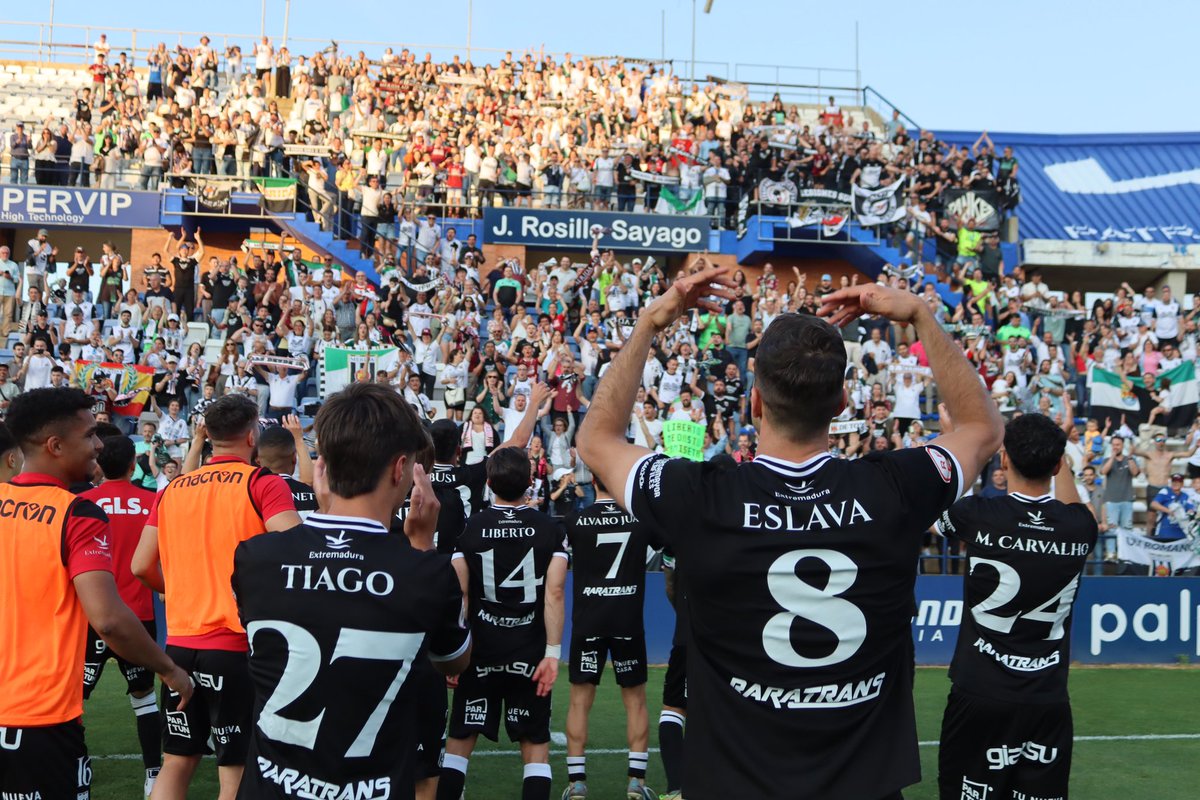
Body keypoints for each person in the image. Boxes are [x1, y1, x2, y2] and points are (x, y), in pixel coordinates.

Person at [577, 267, 1004, 799]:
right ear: (842, 405)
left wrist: (649, 321)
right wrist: (919, 314)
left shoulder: (701, 497)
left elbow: (595, 440)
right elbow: (983, 430)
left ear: (755, 403)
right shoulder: (895, 487)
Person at [232, 382, 472, 800]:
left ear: (323, 466)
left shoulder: (256, 557)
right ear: (401, 470)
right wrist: (423, 547)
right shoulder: (425, 572)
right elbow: (454, 659)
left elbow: (317, 610)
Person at [0, 388, 192, 800]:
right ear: (55, 445)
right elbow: (106, 619)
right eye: (89, 436)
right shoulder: (75, 511)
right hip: (38, 719)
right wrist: (170, 669)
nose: (99, 445)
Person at [131, 394, 301, 800]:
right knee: (235, 770)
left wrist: (183, 589)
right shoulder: (261, 482)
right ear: (251, 434)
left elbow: (140, 565)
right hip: (235, 644)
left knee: (177, 762)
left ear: (207, 436)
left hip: (179, 647)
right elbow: (297, 547)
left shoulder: (173, 489)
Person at [935, 412, 1097, 800]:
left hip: (980, 694)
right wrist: (1061, 445)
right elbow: (1072, 501)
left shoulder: (977, 514)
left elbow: (939, 512)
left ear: (1003, 460)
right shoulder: (1080, 526)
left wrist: (955, 439)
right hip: (1048, 700)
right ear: (1059, 463)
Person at [436, 448, 568, 800]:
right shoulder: (549, 528)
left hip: (480, 651)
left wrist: (455, 651)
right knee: (535, 746)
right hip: (530, 654)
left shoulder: (471, 527)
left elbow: (460, 594)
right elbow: (554, 593)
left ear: (489, 482)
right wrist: (553, 653)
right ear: (529, 482)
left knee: (460, 742)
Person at [561, 475, 661, 800]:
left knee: (579, 700)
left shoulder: (576, 520)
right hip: (626, 620)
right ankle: (636, 781)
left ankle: (576, 783)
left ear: (592, 480)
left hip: (588, 621)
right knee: (635, 702)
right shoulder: (640, 520)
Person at [80, 435, 163, 794]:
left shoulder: (81, 503)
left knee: (73, 700)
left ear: (98, 464)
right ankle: (154, 774)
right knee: (143, 698)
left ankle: (76, 766)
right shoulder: (152, 502)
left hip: (90, 616)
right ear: (134, 465)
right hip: (138, 617)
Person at [254, 417, 317, 520]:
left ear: (258, 461)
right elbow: (308, 481)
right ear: (294, 459)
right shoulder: (311, 493)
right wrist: (299, 441)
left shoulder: (250, 492)